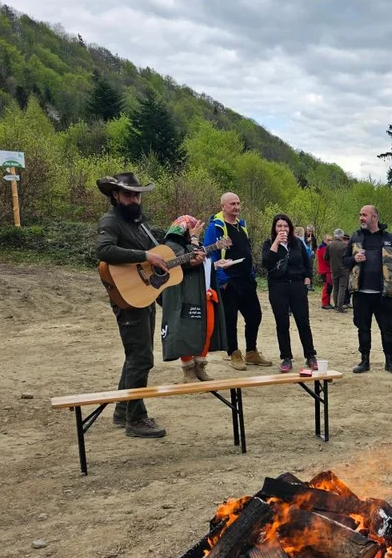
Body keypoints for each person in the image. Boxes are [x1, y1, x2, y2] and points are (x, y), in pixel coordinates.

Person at [95, 172, 169, 438]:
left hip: (143, 295)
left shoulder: (138, 223)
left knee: (135, 356)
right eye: (128, 194)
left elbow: (155, 258)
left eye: (137, 194)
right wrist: (145, 254)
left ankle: (122, 409)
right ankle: (136, 419)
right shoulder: (111, 220)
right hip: (126, 299)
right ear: (115, 195)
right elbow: (104, 251)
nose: (134, 199)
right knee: (141, 358)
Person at [203, 192, 273, 371]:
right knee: (230, 319)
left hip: (246, 279)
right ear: (223, 207)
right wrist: (223, 280)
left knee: (255, 316)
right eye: (232, 204)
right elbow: (210, 255)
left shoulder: (242, 225)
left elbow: (246, 250)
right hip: (228, 281)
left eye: (238, 203)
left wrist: (251, 274)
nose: (236, 207)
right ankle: (233, 352)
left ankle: (251, 351)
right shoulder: (215, 227)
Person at [160, 214, 227, 383]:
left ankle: (200, 366)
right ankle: (188, 369)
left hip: (204, 293)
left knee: (206, 330)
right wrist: (195, 239)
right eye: (193, 229)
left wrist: (215, 265)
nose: (196, 232)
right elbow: (188, 260)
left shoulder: (195, 243)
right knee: (186, 331)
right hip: (184, 295)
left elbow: (200, 260)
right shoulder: (171, 245)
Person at [343, 205, 392, 374]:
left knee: (387, 328)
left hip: (383, 294)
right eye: (360, 215)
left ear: (374, 217)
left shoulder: (390, 237)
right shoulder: (356, 237)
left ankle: (390, 362)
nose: (361, 218)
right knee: (363, 328)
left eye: (364, 215)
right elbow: (345, 260)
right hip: (361, 293)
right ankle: (364, 361)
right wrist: (354, 258)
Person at [261, 215, 318, 374]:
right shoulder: (268, 244)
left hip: (297, 286)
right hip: (278, 287)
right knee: (282, 323)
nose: (282, 229)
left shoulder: (297, 243)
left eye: (285, 226)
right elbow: (267, 262)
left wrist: (307, 279)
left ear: (290, 228)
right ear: (274, 228)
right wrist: (276, 242)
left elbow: (307, 264)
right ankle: (286, 357)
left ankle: (310, 355)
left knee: (303, 321)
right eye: (279, 226)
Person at [327, 230, 350, 312]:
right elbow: (348, 258)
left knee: (335, 288)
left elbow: (325, 257)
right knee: (342, 288)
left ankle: (336, 305)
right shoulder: (345, 246)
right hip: (344, 269)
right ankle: (340, 307)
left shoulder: (330, 245)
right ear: (342, 236)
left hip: (333, 269)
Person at [317, 233, 333, 309]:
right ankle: (325, 303)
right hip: (325, 270)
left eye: (331, 240)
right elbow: (326, 259)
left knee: (328, 286)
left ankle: (327, 302)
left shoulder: (323, 247)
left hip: (325, 269)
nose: (329, 241)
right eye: (328, 240)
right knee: (327, 286)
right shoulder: (323, 248)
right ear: (324, 240)